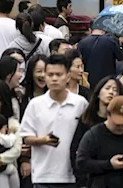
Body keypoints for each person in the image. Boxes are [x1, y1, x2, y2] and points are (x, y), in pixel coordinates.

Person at [20, 54, 89, 187]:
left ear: (68, 76)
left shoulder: (80, 103)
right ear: (45, 76)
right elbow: (26, 137)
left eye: (59, 74)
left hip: (73, 176)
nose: (54, 78)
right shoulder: (36, 104)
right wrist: (42, 140)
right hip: (43, 175)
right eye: (50, 74)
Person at [70, 76, 123, 187]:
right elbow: (75, 151)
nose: (111, 92)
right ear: (98, 93)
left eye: (115, 90)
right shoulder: (86, 120)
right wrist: (81, 181)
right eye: (108, 88)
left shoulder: (122, 123)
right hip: (90, 180)